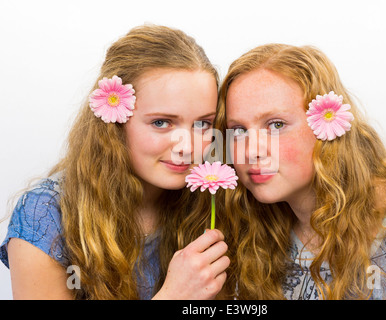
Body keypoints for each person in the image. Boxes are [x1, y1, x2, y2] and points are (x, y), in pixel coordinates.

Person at [0, 24, 230, 300]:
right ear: (114, 122)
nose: (188, 146)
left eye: (203, 124)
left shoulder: (209, 201)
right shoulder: (47, 217)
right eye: (161, 122)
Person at [214, 44, 386, 299]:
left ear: (327, 125)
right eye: (238, 130)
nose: (251, 151)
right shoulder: (251, 236)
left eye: (276, 125)